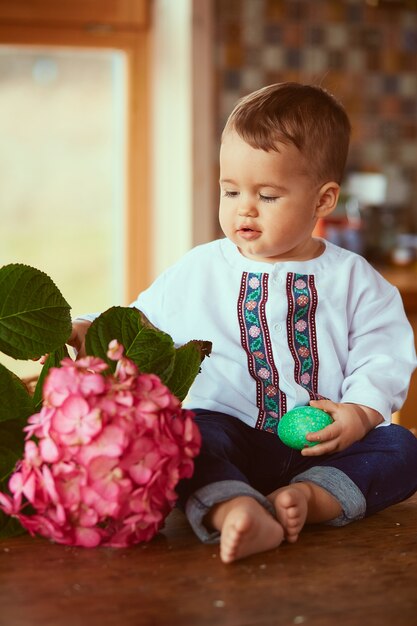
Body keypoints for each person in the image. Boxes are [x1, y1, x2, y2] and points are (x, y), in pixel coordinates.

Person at [71, 82, 417, 564]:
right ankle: (233, 508)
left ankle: (310, 499)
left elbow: (384, 350)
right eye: (230, 190)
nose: (243, 208)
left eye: (268, 195)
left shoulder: (354, 278)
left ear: (323, 200)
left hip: (322, 445)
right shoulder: (201, 268)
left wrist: (358, 414)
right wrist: (86, 329)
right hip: (226, 431)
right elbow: (139, 322)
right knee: (182, 436)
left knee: (401, 447)